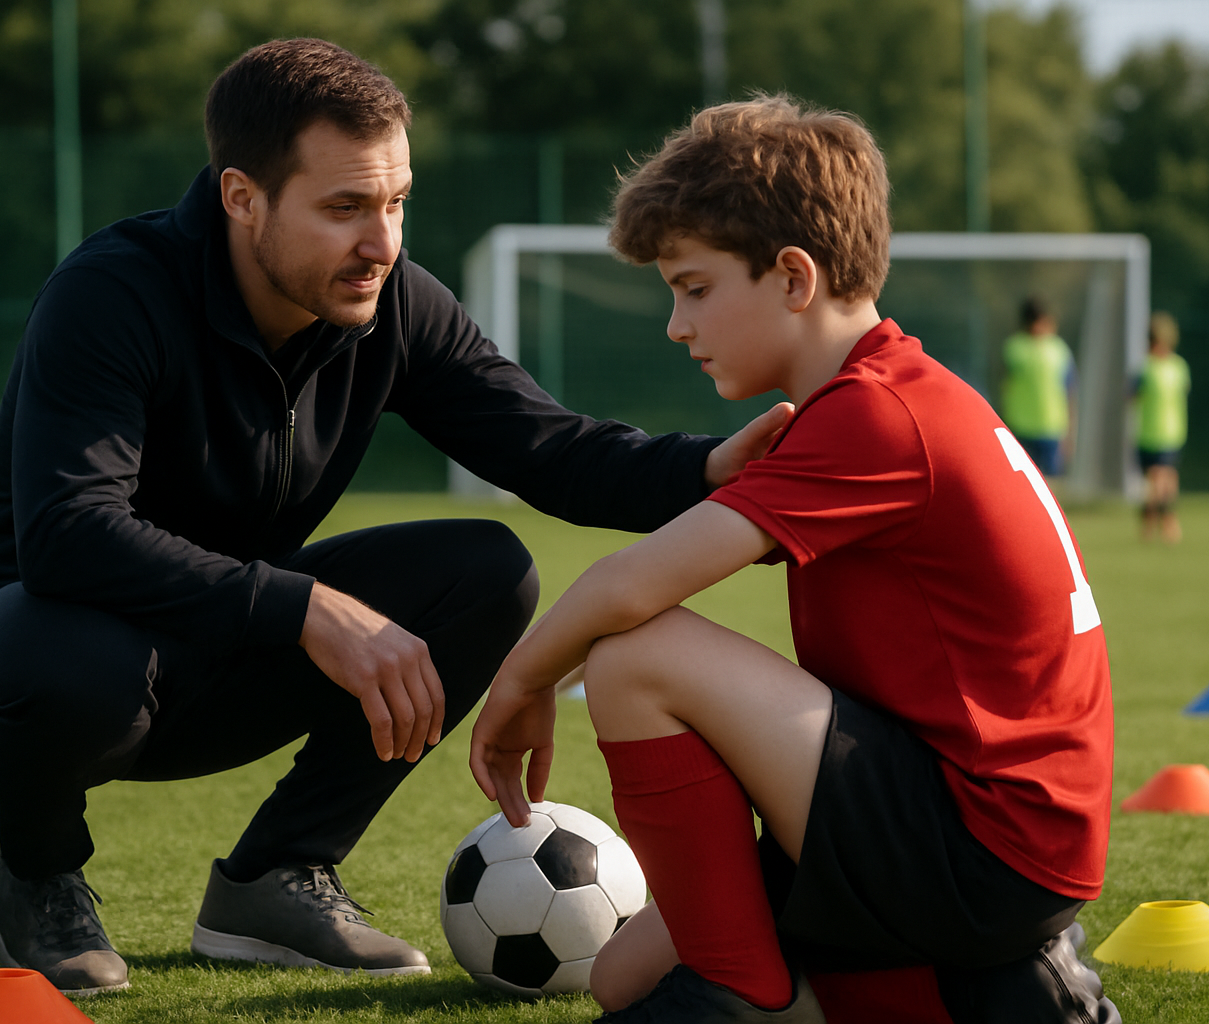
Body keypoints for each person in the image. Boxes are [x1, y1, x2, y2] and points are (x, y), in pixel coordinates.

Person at [0, 39, 786, 996]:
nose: (383, 242)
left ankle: (277, 875)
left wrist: (707, 471)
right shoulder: (113, 293)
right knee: (79, 658)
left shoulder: (391, 305)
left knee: (487, 574)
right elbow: (67, 535)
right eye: (345, 209)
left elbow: (550, 448)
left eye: (396, 202)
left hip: (213, 654)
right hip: (24, 662)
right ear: (242, 198)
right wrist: (304, 608)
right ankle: (38, 876)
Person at [469, 95, 1119, 1024]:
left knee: (635, 653)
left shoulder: (877, 414)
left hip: (984, 843)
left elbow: (629, 584)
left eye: (695, 288)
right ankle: (993, 994)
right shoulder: (887, 394)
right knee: (622, 978)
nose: (676, 325)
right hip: (978, 833)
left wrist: (522, 683)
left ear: (792, 277)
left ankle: (743, 999)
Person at [1001, 296, 1076, 479]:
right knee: (1023, 479)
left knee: (1050, 480)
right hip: (1020, 427)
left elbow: (1070, 391)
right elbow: (1005, 386)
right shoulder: (1015, 349)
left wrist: (1070, 431)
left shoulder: (1059, 350)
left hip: (1052, 426)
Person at [1135, 312, 1189, 542]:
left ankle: (1160, 519)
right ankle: (1158, 519)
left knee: (1166, 480)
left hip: (1171, 433)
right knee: (1157, 481)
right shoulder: (1146, 368)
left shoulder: (1177, 367)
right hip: (1149, 434)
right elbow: (1133, 395)